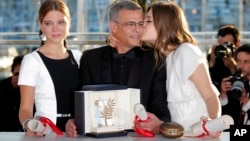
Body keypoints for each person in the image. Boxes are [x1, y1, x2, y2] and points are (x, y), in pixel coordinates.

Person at [108, 2, 221, 137]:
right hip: (179, 135)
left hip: (201, 135)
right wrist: (113, 39)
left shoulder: (186, 52)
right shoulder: (164, 57)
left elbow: (210, 95)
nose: (141, 26)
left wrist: (214, 124)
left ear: (164, 24)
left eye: (148, 21)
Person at [65, 0, 171, 138]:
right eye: (130, 24)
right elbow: (82, 104)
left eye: (140, 24)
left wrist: (159, 125)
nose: (137, 29)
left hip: (139, 137)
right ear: (113, 27)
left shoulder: (156, 59)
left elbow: (161, 108)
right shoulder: (90, 59)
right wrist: (73, 122)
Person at [18, 0, 82, 136]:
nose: (55, 29)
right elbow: (25, 109)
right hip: (46, 133)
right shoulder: (31, 61)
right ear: (40, 25)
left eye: (61, 22)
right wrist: (30, 124)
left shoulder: (78, 57)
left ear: (69, 23)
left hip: (78, 133)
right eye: (48, 23)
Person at [220, 44, 250, 125]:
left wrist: (246, 101)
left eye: (246, 62)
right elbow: (226, 120)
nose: (240, 65)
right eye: (238, 61)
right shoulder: (233, 83)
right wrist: (223, 95)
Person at [207, 25, 240, 91]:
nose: (223, 49)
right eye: (221, 46)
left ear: (237, 43)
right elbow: (208, 84)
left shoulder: (243, 57)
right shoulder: (214, 57)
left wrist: (232, 68)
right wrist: (211, 63)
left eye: (227, 45)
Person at [0, 55, 23, 131]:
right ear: (12, 73)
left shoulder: (38, 87)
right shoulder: (3, 86)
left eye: (24, 74)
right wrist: (13, 88)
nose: (21, 77)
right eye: (17, 74)